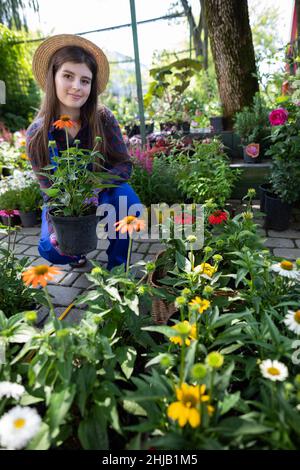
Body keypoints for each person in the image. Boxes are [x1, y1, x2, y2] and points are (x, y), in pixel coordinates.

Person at [26, 34, 142, 270]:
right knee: (50, 248)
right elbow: (49, 190)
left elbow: (124, 165)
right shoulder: (37, 133)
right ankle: (74, 253)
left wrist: (95, 185)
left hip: (104, 193)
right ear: (53, 78)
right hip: (66, 201)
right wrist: (58, 226)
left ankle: (118, 267)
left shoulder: (103, 118)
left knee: (127, 202)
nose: (77, 87)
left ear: (92, 86)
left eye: (85, 80)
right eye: (68, 76)